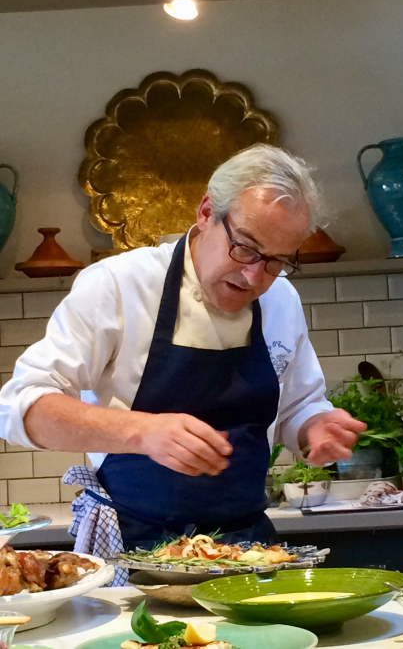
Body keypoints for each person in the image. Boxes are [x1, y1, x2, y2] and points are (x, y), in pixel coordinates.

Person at [0, 144, 365, 574]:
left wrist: (313, 425)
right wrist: (143, 432)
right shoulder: (119, 285)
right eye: (245, 248)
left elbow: (298, 403)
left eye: (277, 261)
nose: (254, 276)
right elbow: (20, 407)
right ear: (206, 212)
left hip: (249, 551)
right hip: (133, 551)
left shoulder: (281, 299)